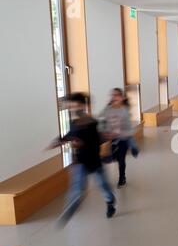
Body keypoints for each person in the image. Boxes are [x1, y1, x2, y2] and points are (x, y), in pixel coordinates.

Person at [48, 93, 116, 227]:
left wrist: (104, 137)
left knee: (104, 186)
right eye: (71, 107)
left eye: (76, 106)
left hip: (95, 161)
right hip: (80, 162)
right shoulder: (74, 123)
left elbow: (98, 140)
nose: (74, 109)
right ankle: (70, 209)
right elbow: (69, 135)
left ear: (83, 106)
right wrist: (58, 141)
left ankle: (110, 202)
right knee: (77, 190)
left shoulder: (92, 123)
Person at [99, 88, 135, 188]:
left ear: (122, 97)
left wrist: (120, 134)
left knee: (121, 159)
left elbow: (130, 130)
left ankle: (122, 177)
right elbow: (101, 119)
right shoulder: (108, 109)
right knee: (109, 158)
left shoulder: (124, 111)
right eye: (112, 95)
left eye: (116, 95)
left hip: (123, 139)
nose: (114, 97)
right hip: (112, 139)